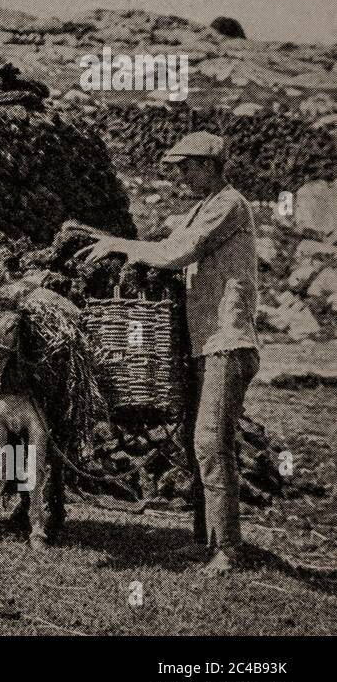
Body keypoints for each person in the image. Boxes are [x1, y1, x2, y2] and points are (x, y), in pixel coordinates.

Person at [80, 131, 259, 576]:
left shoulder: (229, 203)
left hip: (227, 344)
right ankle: (206, 541)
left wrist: (120, 246)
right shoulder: (202, 209)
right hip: (205, 345)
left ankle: (229, 551)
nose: (179, 175)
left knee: (210, 444)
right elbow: (163, 244)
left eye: (186, 167)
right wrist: (105, 239)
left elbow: (177, 252)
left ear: (209, 165)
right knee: (196, 443)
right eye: (176, 168)